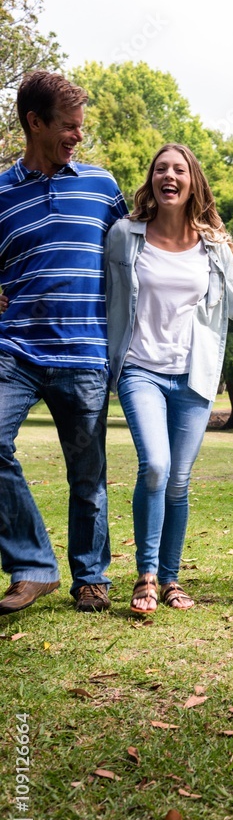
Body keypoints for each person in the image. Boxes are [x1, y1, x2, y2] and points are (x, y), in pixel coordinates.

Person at [105, 143, 233, 613]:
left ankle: (172, 579)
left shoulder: (214, 248)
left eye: (179, 169)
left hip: (195, 377)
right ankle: (146, 575)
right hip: (140, 369)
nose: (169, 176)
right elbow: (92, 285)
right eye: (160, 168)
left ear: (192, 181)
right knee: (155, 466)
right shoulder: (124, 235)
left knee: (178, 480)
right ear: (151, 181)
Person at [0, 71, 127, 615]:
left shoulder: (102, 188)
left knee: (88, 474)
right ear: (35, 123)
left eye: (80, 127)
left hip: (85, 354)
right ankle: (32, 567)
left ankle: (91, 574)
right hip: (16, 351)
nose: (78, 135)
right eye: (69, 126)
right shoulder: (1, 192)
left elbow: (144, 246)